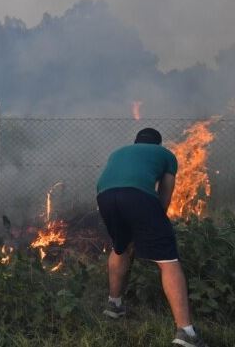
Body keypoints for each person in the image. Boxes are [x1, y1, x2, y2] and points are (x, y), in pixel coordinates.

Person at [96, 128, 208, 347]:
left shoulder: (119, 152)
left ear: (136, 142)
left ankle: (114, 306)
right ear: (157, 144)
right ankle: (186, 333)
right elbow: (164, 197)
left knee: (121, 248)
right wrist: (155, 225)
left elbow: (112, 179)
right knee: (168, 261)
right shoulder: (166, 155)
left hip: (105, 196)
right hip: (138, 196)